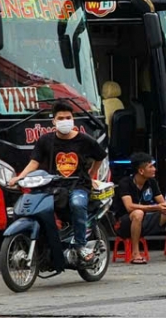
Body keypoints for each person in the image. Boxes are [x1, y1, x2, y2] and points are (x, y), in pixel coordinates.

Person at [8, 102, 107, 263]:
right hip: (53, 186)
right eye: (60, 118)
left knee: (77, 203)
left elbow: (100, 156)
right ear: (53, 121)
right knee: (37, 207)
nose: (65, 121)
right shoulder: (46, 140)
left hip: (79, 185)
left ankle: (80, 245)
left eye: (68, 117)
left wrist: (91, 175)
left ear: (73, 119)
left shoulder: (84, 140)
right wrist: (19, 178)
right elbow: (34, 163)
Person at [114, 152, 166, 263]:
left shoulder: (151, 182)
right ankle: (135, 253)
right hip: (124, 224)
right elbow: (129, 207)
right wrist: (156, 207)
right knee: (138, 213)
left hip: (144, 222)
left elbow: (162, 202)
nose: (154, 169)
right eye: (150, 166)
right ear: (141, 171)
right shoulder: (125, 182)